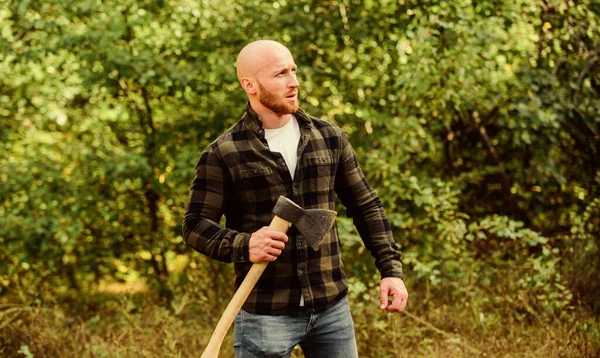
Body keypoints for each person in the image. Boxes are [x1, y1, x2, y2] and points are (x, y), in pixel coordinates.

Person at [182, 39, 408, 358]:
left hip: (331, 309)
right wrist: (244, 245)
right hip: (264, 315)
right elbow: (194, 226)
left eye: (294, 70)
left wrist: (391, 270)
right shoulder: (224, 153)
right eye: (280, 74)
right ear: (250, 84)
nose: (294, 81)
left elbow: (366, 205)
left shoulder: (328, 138)